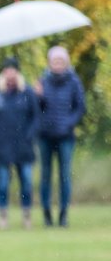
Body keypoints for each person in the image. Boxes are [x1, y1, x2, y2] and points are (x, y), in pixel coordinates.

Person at [0, 57, 39, 230]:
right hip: (1, 145)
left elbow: (36, 117)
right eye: (7, 69)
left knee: (26, 182)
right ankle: (3, 216)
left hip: (23, 145)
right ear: (3, 72)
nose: (10, 73)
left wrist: (30, 135)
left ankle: (27, 215)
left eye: (13, 69)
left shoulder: (27, 92)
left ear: (17, 72)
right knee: (3, 182)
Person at [34, 45, 86, 227]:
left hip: (66, 136)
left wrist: (68, 123)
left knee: (65, 175)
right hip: (45, 136)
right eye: (54, 61)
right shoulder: (42, 81)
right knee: (46, 175)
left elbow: (80, 107)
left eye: (60, 61)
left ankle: (64, 213)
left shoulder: (74, 82)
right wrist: (38, 96)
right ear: (49, 63)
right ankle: (46, 212)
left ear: (66, 62)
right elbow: (37, 109)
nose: (57, 64)